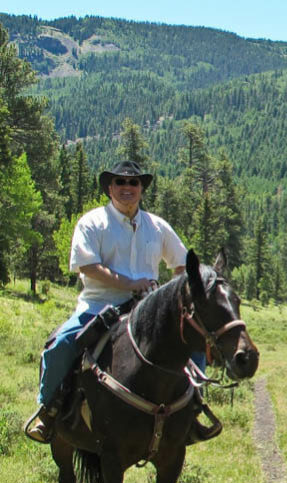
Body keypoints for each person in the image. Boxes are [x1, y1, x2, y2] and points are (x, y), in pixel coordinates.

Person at [25, 160, 188, 443]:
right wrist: (129, 284)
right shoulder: (92, 222)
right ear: (110, 188)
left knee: (191, 346)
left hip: (147, 311)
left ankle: (192, 413)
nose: (127, 188)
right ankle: (48, 410)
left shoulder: (157, 227)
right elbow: (87, 265)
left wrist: (168, 294)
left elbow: (182, 265)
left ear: (141, 189)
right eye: (120, 182)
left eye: (133, 183)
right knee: (60, 345)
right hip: (100, 305)